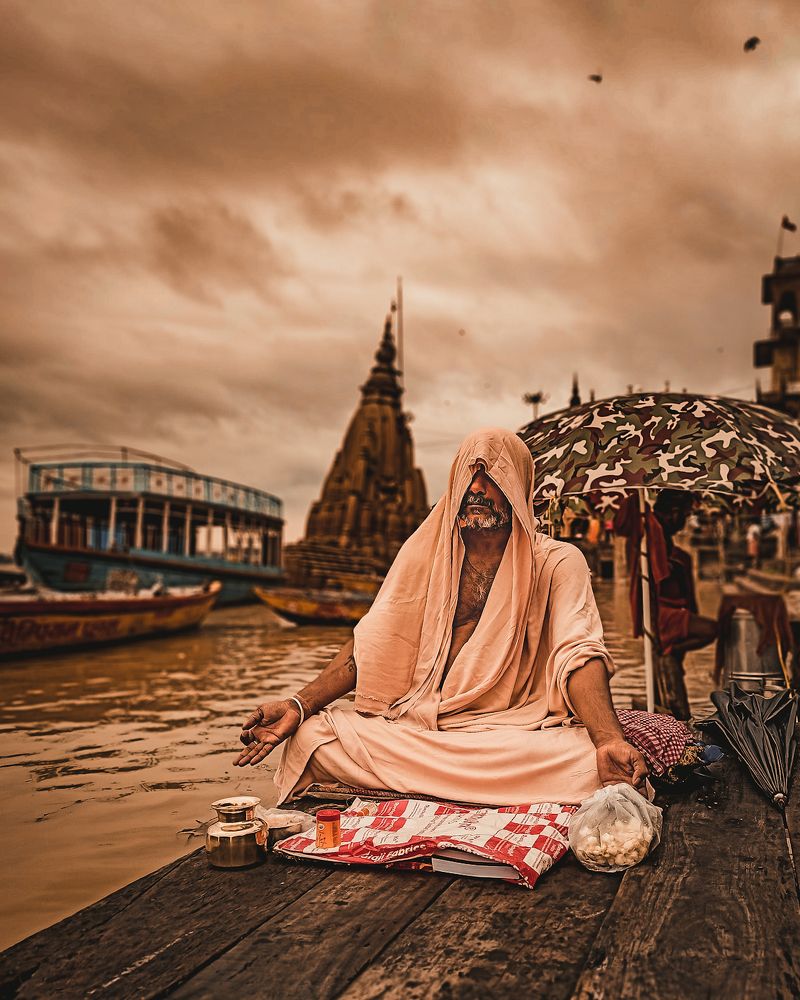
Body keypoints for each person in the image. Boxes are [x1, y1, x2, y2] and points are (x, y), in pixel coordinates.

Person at [234, 428, 647, 806]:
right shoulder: (426, 556)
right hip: (416, 729)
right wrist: (298, 703)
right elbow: (372, 647)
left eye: (493, 477)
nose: (478, 488)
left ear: (519, 488)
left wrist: (607, 739)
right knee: (312, 734)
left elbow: (578, 652)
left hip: (507, 734)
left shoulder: (559, 561)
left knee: (581, 758)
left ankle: (430, 783)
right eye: (471, 475)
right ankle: (466, 787)